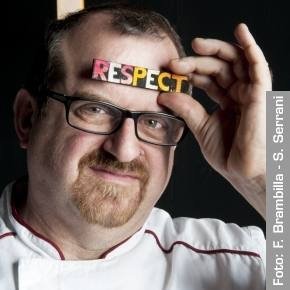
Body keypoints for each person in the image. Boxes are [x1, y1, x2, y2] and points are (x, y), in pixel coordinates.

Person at [0, 3, 270, 289]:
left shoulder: (247, 264)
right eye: (96, 109)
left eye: (154, 122)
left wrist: (264, 180)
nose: (124, 149)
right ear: (27, 119)